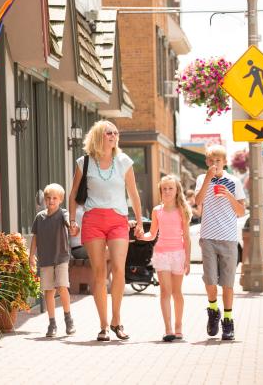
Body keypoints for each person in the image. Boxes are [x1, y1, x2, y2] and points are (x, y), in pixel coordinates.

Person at [69, 120, 142, 341]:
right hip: (93, 220)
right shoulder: (85, 162)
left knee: (119, 269)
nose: (113, 136)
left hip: (118, 219)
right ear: (99, 135)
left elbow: (134, 193)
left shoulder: (124, 162)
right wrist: (72, 220)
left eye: (116, 133)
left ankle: (116, 320)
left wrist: (139, 221)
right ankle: (103, 326)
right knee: (99, 273)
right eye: (109, 132)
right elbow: (73, 195)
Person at [195, 145, 245, 341]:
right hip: (207, 236)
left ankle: (228, 320)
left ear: (224, 162)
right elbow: (198, 202)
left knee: (228, 283)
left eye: (218, 160)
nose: (215, 164)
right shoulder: (202, 179)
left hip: (229, 238)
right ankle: (213, 309)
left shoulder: (234, 181)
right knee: (209, 280)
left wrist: (229, 195)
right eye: (211, 160)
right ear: (207, 162)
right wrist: (208, 178)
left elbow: (241, 211)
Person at [139, 175, 191, 342]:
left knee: (177, 292)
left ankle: (178, 326)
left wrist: (188, 260)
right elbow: (152, 234)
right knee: (164, 292)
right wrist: (142, 236)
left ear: (177, 191)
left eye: (170, 188)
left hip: (178, 254)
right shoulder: (156, 211)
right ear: (160, 191)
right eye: (164, 189)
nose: (167, 191)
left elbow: (187, 238)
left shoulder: (182, 210)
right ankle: (168, 329)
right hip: (161, 254)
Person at [29, 183, 76, 337]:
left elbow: (70, 223)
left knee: (62, 287)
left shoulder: (63, 214)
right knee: (49, 291)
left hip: (61, 257)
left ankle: (68, 319)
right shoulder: (39, 217)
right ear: (44, 200)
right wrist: (31, 256)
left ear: (60, 199)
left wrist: (73, 227)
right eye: (48, 198)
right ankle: (52, 323)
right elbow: (35, 238)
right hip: (45, 259)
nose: (51, 201)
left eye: (55, 198)